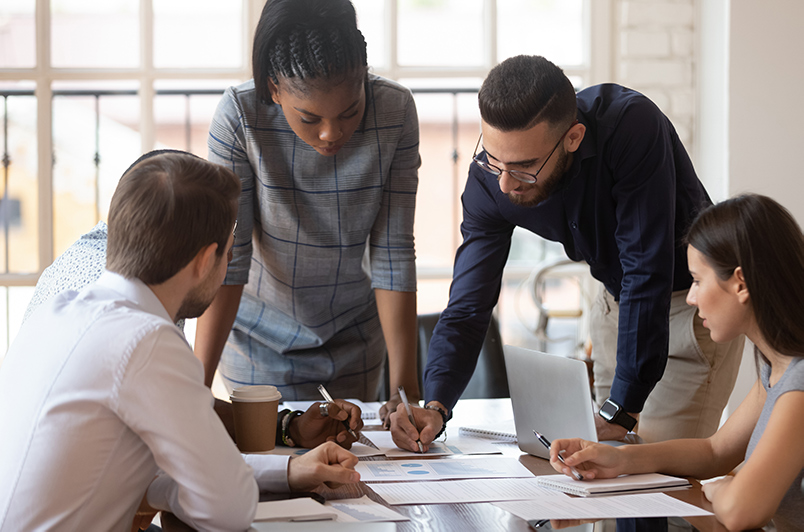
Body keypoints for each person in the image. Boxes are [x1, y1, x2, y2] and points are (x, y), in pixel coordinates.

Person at [390, 54, 744, 451]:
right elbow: (468, 305)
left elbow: (646, 269)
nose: (505, 184)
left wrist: (621, 409)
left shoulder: (631, 126)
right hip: (616, 306)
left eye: (525, 167)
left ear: (572, 138)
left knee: (661, 477)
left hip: (692, 310)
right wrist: (436, 405)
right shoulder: (490, 180)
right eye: (494, 159)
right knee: (606, 477)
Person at [0, 151, 360, 532]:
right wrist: (184, 488)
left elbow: (155, 471)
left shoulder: (59, 311)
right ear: (206, 260)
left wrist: (287, 470)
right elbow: (227, 510)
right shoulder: (146, 339)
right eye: (229, 250)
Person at [197, 0, 421, 418]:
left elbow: (393, 252)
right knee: (275, 462)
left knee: (354, 469)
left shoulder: (395, 111)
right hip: (259, 341)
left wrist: (405, 395)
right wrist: (195, 387)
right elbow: (230, 258)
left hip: (356, 337)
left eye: (350, 112)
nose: (331, 133)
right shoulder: (239, 117)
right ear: (274, 88)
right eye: (308, 117)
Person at [548, 194, 804, 532]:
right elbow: (716, 452)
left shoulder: (799, 382)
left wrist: (725, 487)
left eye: (697, 280)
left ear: (740, 283)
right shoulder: (777, 366)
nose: (692, 298)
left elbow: (742, 510)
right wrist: (619, 460)